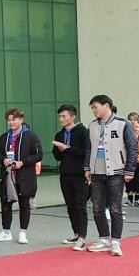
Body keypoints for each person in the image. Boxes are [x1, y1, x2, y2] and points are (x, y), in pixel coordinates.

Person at [84, 94, 137, 256]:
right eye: (92, 108)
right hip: (96, 172)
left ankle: (115, 242)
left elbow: (132, 148)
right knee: (97, 208)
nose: (93, 110)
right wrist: (87, 167)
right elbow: (88, 148)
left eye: (95, 107)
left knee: (115, 208)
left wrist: (130, 170)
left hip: (116, 172)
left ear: (106, 105)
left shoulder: (123, 124)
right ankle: (104, 239)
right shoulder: (92, 126)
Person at [0, 108, 42, 245]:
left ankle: (22, 233)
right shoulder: (4, 137)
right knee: (5, 203)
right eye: (9, 120)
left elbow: (38, 155)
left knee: (24, 204)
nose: (11, 122)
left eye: (14, 119)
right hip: (7, 176)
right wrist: (3, 160)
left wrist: (22, 162)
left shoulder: (31, 136)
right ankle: (6, 232)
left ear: (21, 120)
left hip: (25, 176)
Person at [51, 104, 90, 250]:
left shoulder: (82, 131)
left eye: (64, 116)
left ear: (72, 116)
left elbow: (85, 152)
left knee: (80, 205)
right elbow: (57, 156)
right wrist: (60, 149)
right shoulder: (59, 134)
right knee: (70, 205)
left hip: (80, 174)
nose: (61, 119)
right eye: (60, 116)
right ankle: (76, 233)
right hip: (65, 174)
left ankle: (82, 237)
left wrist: (67, 148)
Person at [125, 112, 139, 207]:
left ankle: (137, 199)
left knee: (138, 179)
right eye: (131, 120)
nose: (133, 122)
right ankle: (130, 199)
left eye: (135, 120)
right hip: (129, 158)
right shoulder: (126, 129)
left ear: (138, 120)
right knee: (129, 179)